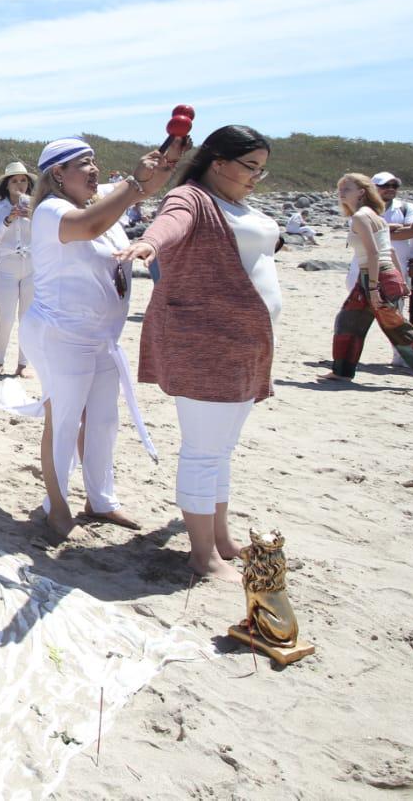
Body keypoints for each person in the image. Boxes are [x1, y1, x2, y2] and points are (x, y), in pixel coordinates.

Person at [121, 126, 279, 581]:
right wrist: (150, 244)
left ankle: (221, 538)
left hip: (244, 345)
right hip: (205, 343)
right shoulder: (192, 196)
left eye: (262, 170)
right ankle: (202, 554)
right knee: (203, 452)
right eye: (250, 167)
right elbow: (171, 223)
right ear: (218, 163)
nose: (255, 177)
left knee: (222, 450)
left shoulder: (238, 203)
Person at [19, 138, 175, 538]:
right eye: (84, 164)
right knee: (64, 420)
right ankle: (56, 505)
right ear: (58, 173)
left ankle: (101, 501)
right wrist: (134, 184)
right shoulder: (52, 210)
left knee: (104, 420)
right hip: (61, 334)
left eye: (95, 163)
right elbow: (90, 227)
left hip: (101, 336)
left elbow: (153, 179)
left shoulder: (94, 200)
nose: (95, 170)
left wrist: (170, 150)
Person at [320, 173, 408, 382]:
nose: (341, 193)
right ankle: (341, 372)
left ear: (361, 192)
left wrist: (375, 288)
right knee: (348, 323)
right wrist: (401, 280)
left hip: (375, 276)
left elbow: (374, 253)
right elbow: (391, 252)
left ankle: (341, 371)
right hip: (379, 275)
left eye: (346, 189)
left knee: (399, 331)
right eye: (340, 189)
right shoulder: (375, 215)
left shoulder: (361, 216)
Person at [0, 161, 35, 377]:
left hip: (32, 266)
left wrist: (32, 215)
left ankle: (23, 364)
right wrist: (8, 219)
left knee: (27, 317)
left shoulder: (37, 204)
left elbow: (48, 232)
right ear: (7, 184)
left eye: (23, 180)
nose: (20, 184)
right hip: (6, 266)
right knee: (5, 317)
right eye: (15, 180)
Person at [374, 172, 413, 315]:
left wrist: (378, 231)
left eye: (394, 185)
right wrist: (392, 228)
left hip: (397, 268)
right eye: (385, 185)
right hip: (366, 269)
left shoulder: (407, 208)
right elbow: (361, 234)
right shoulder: (363, 209)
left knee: (395, 314)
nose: (391, 188)